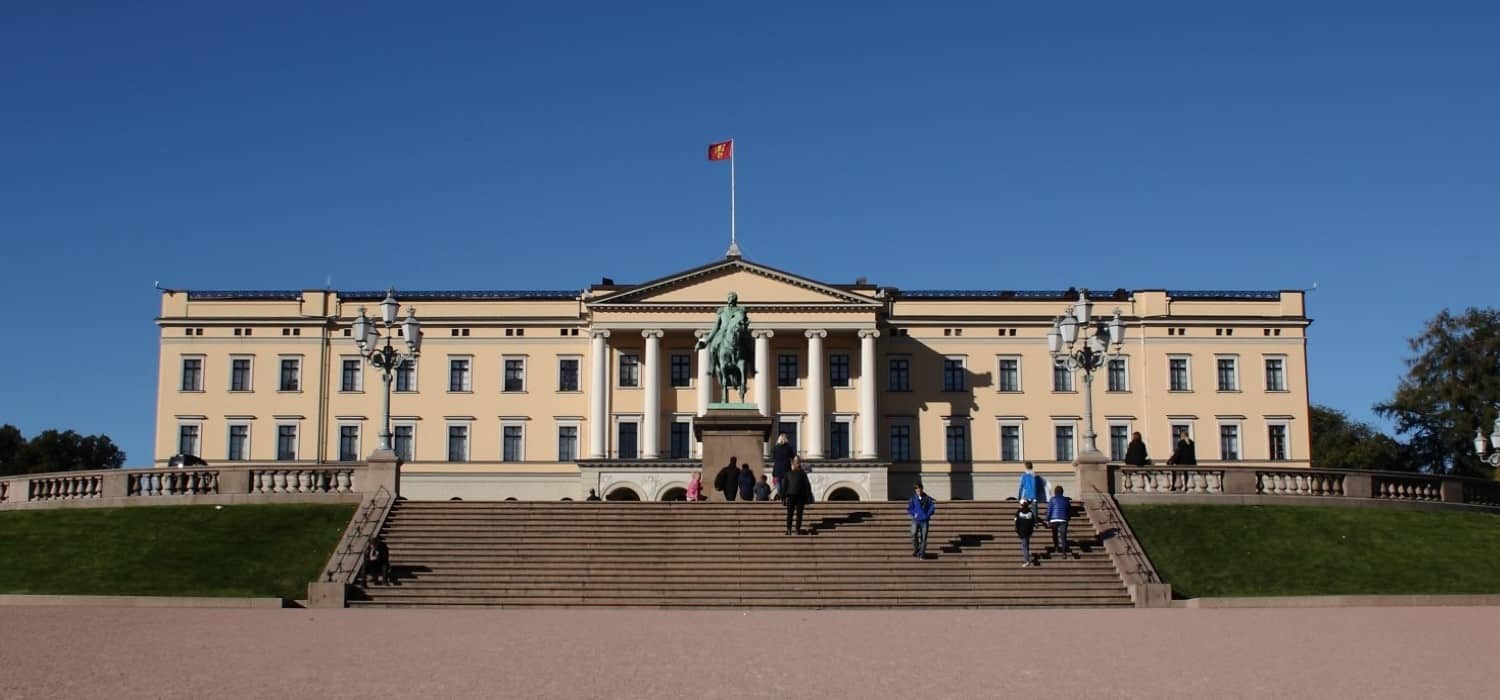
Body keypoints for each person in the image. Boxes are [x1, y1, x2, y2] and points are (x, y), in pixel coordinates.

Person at [782, 458, 812, 535]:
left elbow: (784, 486)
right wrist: (808, 496)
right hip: (800, 496)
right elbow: (807, 485)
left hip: (791, 496)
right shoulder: (802, 474)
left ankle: (789, 529)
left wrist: (783, 497)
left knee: (790, 514)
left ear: (792, 465)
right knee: (799, 514)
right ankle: (797, 529)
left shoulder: (788, 474)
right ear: (799, 465)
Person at [907, 483, 936, 559]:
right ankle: (916, 549)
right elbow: (910, 508)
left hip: (924, 521)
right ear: (915, 490)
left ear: (922, 489)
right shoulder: (913, 498)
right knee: (913, 534)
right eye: (916, 489)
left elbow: (932, 508)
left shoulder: (927, 498)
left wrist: (927, 515)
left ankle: (922, 554)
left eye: (919, 489)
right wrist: (914, 514)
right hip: (916, 520)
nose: (918, 490)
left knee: (923, 538)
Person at [1046, 485, 1075, 558]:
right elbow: (1068, 510)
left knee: (1054, 534)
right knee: (1063, 537)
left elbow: (1050, 510)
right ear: (1062, 492)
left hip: (1054, 519)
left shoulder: (1052, 499)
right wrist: (1068, 518)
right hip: (1063, 519)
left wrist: (1047, 519)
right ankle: (1064, 553)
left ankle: (1056, 547)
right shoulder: (1066, 500)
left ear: (1055, 492)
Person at [771, 433, 794, 499]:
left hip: (777, 469)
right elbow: (792, 456)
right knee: (785, 483)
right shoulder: (788, 447)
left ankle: (780, 494)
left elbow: (774, 457)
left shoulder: (775, 448)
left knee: (778, 483)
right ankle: (784, 495)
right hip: (786, 469)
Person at [1015, 500, 1037, 567]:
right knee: (1026, 545)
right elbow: (1033, 522)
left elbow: (1017, 522)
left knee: (1024, 546)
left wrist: (1017, 530)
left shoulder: (1019, 512)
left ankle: (1027, 561)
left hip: (1022, 531)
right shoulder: (1030, 512)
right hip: (1028, 531)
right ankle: (1027, 556)